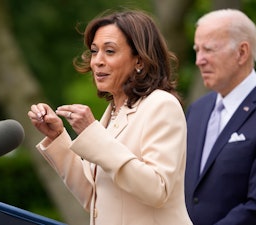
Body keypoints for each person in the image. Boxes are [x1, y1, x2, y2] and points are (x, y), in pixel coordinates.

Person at [28, 9, 193, 225]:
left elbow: (157, 190)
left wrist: (93, 133)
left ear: (140, 61)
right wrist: (58, 137)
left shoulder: (162, 105)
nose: (97, 61)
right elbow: (93, 197)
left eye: (110, 51)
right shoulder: (113, 111)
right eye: (95, 51)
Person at [184, 9, 256, 225]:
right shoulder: (197, 111)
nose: (199, 60)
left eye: (208, 49)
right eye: (197, 50)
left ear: (242, 52)